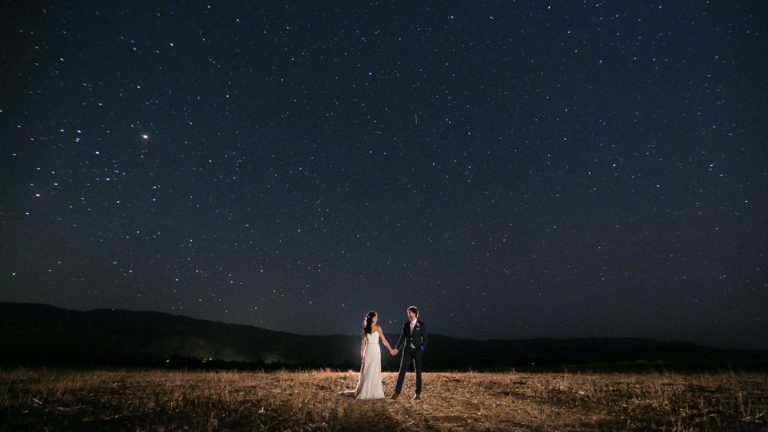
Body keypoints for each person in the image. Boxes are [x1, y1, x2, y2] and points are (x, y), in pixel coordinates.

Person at [340, 311, 396, 399]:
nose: (377, 319)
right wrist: (362, 356)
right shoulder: (365, 329)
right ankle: (365, 391)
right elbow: (363, 344)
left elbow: (384, 341)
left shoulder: (378, 328)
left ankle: (375, 391)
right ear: (372, 318)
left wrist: (390, 350)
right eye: (376, 317)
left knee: (375, 370)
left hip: (376, 351)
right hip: (368, 350)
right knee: (367, 370)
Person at [389, 306, 428, 400]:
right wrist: (397, 349)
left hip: (417, 351)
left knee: (418, 372)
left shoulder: (421, 325)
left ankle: (417, 394)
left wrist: (421, 349)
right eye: (408, 312)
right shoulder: (406, 325)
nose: (408, 314)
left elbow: (425, 338)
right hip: (407, 351)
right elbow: (402, 338)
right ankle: (396, 393)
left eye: (410, 312)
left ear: (414, 313)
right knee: (402, 371)